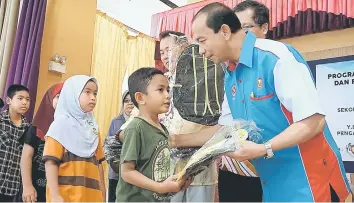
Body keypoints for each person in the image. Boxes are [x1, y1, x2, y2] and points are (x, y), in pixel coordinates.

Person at [171, 2, 350, 202]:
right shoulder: (230, 74)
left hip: (310, 183)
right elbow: (224, 129)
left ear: (224, 31)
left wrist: (264, 148)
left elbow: (314, 121)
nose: (201, 51)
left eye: (203, 41)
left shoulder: (275, 57)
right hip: (273, 186)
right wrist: (176, 141)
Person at [217, 1, 269, 202]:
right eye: (234, 29)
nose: (239, 36)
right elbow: (225, 124)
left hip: (269, 170)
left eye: (246, 29)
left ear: (264, 28)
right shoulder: (230, 72)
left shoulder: (274, 61)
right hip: (234, 171)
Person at [159, 30, 218, 202]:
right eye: (161, 52)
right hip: (168, 171)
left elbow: (220, 124)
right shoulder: (160, 83)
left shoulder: (206, 81)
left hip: (200, 168)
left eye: (168, 49)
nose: (165, 56)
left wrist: (181, 140)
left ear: (184, 47)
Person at [115, 68, 189, 202]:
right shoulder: (136, 128)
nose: (167, 95)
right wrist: (159, 187)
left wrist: (177, 184)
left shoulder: (163, 129)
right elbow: (127, 173)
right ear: (140, 98)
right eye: (160, 90)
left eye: (168, 90)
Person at [43, 75, 106, 202]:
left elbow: (99, 164)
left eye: (95, 93)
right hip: (66, 196)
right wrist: (55, 196)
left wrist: (103, 195)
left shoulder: (93, 129)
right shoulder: (59, 126)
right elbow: (51, 163)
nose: (93, 97)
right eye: (87, 92)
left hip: (91, 197)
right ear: (72, 94)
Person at [15, 83, 63, 203]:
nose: (62, 100)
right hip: (34, 188)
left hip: (59, 190)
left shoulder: (69, 129)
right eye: (58, 96)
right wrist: (27, 186)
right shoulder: (36, 129)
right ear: (50, 98)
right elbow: (26, 157)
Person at [0, 85, 30, 202]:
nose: (24, 102)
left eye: (27, 99)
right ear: (8, 100)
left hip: (11, 188)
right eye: (20, 98)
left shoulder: (29, 129)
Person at [106, 90, 134, 202]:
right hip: (116, 172)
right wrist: (117, 167)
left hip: (134, 173)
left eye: (132, 101)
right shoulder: (116, 121)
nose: (129, 103)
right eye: (126, 101)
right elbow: (110, 148)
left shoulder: (141, 121)